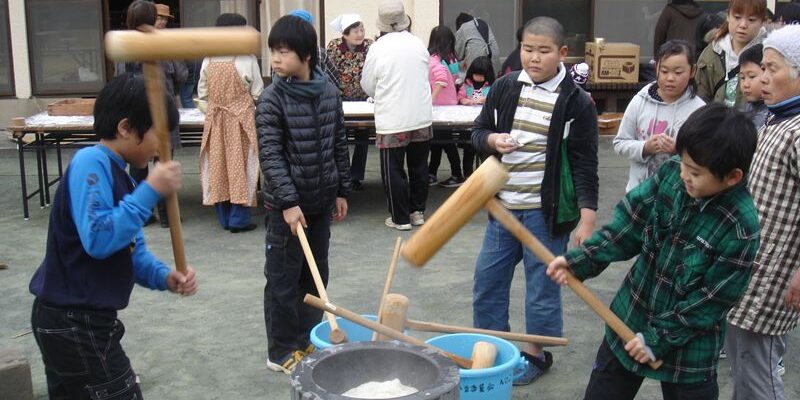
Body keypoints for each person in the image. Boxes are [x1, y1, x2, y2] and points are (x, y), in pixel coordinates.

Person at [547, 103, 760, 400]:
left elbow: (710, 301)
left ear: (733, 177)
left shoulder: (740, 227)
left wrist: (658, 337)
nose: (684, 175)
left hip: (688, 343)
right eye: (683, 163)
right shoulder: (672, 174)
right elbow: (628, 225)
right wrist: (580, 260)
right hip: (631, 315)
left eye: (696, 172)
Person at [28, 73, 198, 399]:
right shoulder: (90, 164)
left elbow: (132, 251)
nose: (162, 147)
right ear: (125, 128)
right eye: (157, 136)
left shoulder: (123, 179)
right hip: (73, 320)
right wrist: (151, 191)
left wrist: (165, 277)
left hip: (82, 320)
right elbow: (100, 238)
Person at [470, 16, 599, 385]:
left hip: (547, 212)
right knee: (487, 280)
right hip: (502, 207)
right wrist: (493, 141)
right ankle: (493, 350)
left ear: (562, 53)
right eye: (528, 49)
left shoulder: (577, 102)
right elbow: (479, 132)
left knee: (541, 287)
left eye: (543, 51)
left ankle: (536, 354)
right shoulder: (505, 87)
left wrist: (587, 219)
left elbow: (585, 163)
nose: (534, 58)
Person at [257, 15, 351, 374]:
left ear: (307, 54)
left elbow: (337, 143)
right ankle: (281, 350)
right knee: (283, 279)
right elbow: (271, 155)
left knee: (315, 277)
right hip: (286, 210)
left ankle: (310, 338)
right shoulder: (271, 99)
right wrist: (288, 202)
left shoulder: (328, 92)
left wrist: (341, 189)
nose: (276, 60)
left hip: (320, 202)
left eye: (283, 52)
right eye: (273, 52)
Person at [726, 24, 800, 400]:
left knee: (758, 369)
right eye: (762, 69)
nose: (763, 78)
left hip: (777, 273)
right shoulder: (776, 119)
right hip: (752, 264)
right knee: (742, 360)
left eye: (773, 69)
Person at [361, 0, 432, 231]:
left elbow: (368, 84)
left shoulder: (377, 47)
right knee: (419, 166)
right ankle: (417, 211)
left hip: (392, 117)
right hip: (421, 114)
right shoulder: (418, 44)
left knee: (393, 169)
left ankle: (400, 218)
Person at [115, 0, 187, 228]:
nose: (162, 21)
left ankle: (142, 213)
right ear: (152, 18)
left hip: (133, 111)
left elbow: (119, 79)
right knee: (164, 163)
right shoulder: (161, 44)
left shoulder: (124, 44)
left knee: (138, 165)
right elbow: (181, 75)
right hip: (159, 109)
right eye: (160, 17)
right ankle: (168, 217)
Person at [197, 13, 263, 233]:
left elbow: (202, 92)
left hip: (215, 119)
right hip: (241, 118)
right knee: (242, 166)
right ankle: (239, 218)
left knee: (219, 166)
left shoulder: (209, 58)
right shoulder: (247, 58)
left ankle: (224, 217)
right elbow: (257, 91)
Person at [614, 40, 706, 193]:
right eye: (664, 71)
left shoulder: (699, 110)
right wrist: (645, 147)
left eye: (678, 72)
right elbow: (620, 143)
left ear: (692, 71)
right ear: (656, 68)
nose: (670, 78)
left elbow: (705, 155)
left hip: (678, 195)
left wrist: (678, 149)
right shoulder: (640, 100)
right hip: (639, 192)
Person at [326, 13, 373, 191]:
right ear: (345, 34)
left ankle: (356, 176)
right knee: (340, 138)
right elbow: (329, 72)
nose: (360, 34)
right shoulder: (334, 47)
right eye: (355, 30)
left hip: (364, 98)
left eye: (362, 29)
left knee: (363, 137)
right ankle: (341, 175)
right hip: (341, 99)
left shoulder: (369, 46)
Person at [696, 0, 768, 107]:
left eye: (751, 20)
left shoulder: (769, 54)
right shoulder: (713, 50)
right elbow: (700, 98)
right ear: (728, 16)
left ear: (763, 21)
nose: (743, 25)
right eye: (737, 17)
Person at [427, 25, 464, 188]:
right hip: (447, 105)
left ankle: (457, 174)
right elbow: (455, 78)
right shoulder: (447, 58)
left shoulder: (434, 60)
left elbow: (443, 80)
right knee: (438, 142)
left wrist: (429, 100)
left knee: (446, 143)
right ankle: (432, 173)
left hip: (443, 108)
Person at [456, 55, 495, 178]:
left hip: (484, 123)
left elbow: (495, 100)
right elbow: (459, 97)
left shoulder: (492, 86)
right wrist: (464, 100)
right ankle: (468, 175)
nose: (478, 78)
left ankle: (484, 176)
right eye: (475, 74)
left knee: (485, 151)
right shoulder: (466, 85)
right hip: (466, 123)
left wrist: (486, 100)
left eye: (481, 75)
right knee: (468, 150)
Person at [287, 9, 341, 88]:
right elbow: (334, 81)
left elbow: (275, 81)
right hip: (318, 97)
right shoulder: (319, 52)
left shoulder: (281, 53)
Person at [738, 44, 769, 128]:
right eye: (742, 78)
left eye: (752, 76)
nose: (745, 84)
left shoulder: (773, 114)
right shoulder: (745, 109)